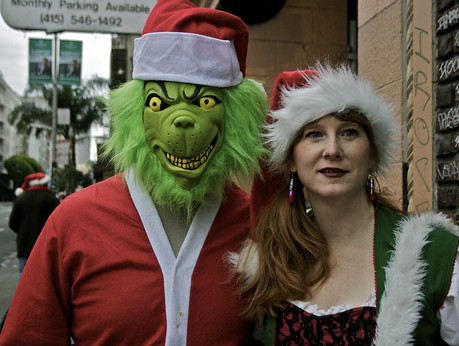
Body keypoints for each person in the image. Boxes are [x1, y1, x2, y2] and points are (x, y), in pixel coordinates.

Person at [0, 0, 268, 344]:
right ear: (134, 114)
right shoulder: (74, 220)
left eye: (205, 101)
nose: (183, 119)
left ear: (235, 116)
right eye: (159, 103)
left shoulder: (255, 223)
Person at [232, 63, 459, 345]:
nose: (333, 150)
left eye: (349, 132)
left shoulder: (437, 258)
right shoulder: (273, 257)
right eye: (314, 134)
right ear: (291, 160)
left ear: (372, 154)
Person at [8, 172, 59, 280]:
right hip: (46, 242)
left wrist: (21, 232)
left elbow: (12, 222)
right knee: (44, 275)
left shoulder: (21, 198)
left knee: (22, 272)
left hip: (25, 243)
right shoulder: (51, 198)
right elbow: (59, 221)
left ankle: (22, 296)